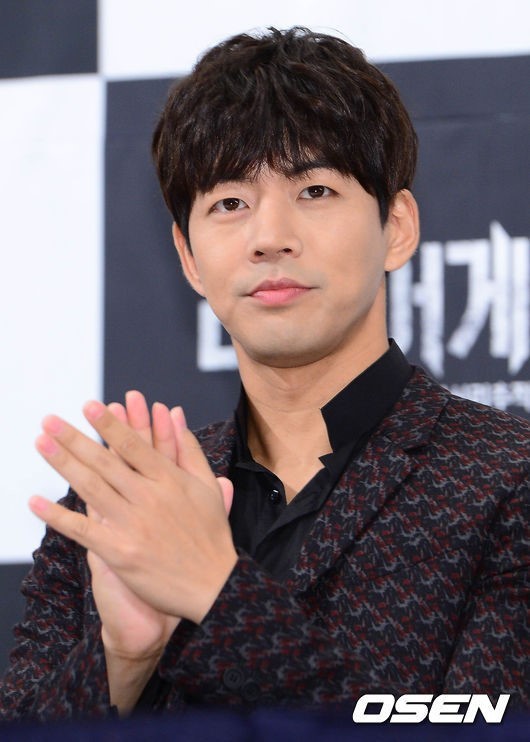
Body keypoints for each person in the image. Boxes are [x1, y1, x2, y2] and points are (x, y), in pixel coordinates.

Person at [0, 27, 528, 721]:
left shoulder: (509, 483)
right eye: (230, 203)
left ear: (396, 227)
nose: (269, 237)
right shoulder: (119, 507)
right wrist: (123, 655)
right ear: (189, 257)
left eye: (314, 190)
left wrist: (213, 592)